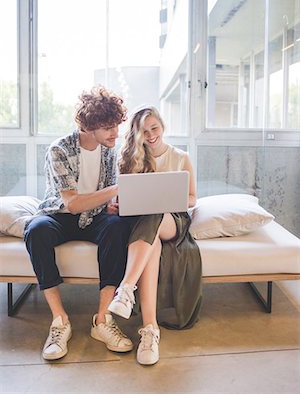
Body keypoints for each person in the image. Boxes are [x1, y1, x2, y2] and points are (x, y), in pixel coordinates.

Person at [24, 85, 135, 361]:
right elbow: (72, 203)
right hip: (62, 216)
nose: (115, 133)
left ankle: (103, 319)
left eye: (116, 126)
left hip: (95, 216)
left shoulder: (110, 151)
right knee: (36, 230)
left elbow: (107, 195)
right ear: (90, 125)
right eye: (109, 127)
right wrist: (118, 189)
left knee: (118, 227)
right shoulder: (59, 149)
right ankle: (60, 321)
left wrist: (116, 203)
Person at [107, 106, 202, 366]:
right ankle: (150, 330)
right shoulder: (131, 158)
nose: (150, 135)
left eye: (154, 128)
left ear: (162, 126)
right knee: (153, 238)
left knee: (157, 213)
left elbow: (193, 198)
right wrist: (116, 205)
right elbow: (121, 198)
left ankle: (126, 289)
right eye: (144, 131)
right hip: (145, 225)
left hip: (173, 220)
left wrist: (169, 198)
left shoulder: (181, 157)